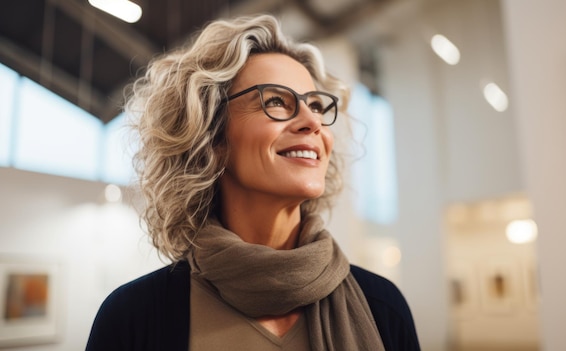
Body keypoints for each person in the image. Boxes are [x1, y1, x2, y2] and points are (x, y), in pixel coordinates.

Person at [86, 14, 420, 351]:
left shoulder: (383, 309)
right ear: (212, 137)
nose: (312, 122)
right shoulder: (133, 319)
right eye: (276, 101)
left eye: (317, 105)